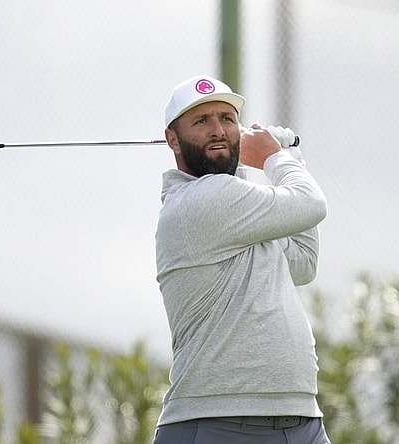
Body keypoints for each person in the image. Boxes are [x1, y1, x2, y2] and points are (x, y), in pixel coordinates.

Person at [153, 75, 331, 444]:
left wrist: (290, 158)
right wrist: (274, 157)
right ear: (173, 139)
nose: (217, 130)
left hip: (300, 421)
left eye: (227, 119)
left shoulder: (238, 210)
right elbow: (311, 204)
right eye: (201, 121)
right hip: (217, 421)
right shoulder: (201, 201)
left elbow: (303, 262)